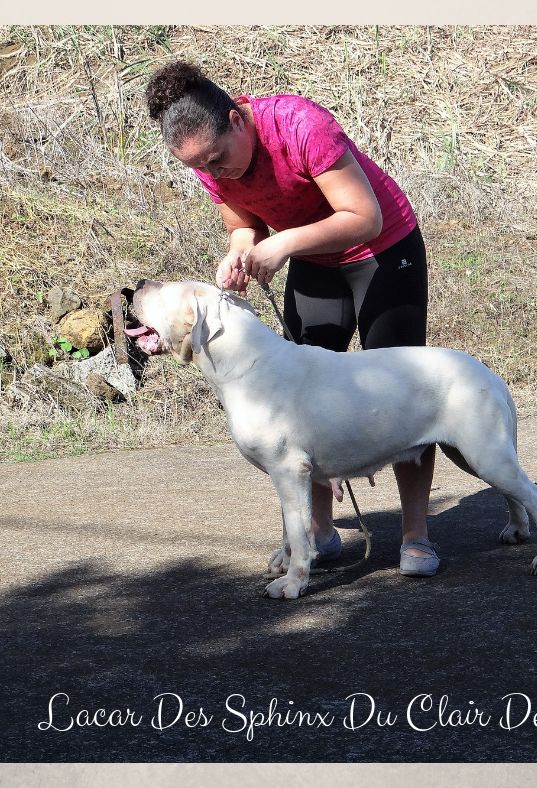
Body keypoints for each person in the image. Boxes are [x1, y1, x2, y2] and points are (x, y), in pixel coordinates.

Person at [145, 61, 439, 577]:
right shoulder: (211, 157)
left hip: (382, 249)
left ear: (237, 119)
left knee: (405, 394)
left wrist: (281, 242)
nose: (214, 173)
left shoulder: (301, 126)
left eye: (216, 159)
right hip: (314, 258)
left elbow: (361, 217)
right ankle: (320, 533)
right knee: (301, 397)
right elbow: (242, 222)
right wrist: (240, 250)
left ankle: (415, 533)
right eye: (200, 168)